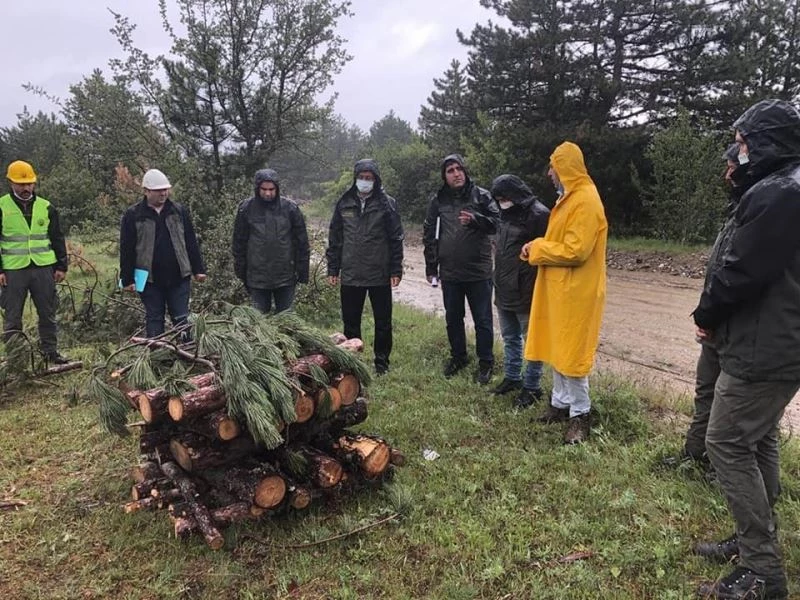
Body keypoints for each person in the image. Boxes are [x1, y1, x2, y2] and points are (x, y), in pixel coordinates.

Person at [690, 99, 800, 600]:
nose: (738, 150)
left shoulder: (779, 193)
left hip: (766, 343)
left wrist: (707, 315)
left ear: (768, 142)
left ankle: (762, 571)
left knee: (727, 442)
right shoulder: (779, 187)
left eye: (744, 141)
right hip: (775, 339)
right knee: (759, 439)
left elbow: (742, 271)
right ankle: (753, 535)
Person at [662, 143, 747, 475]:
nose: (727, 175)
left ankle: (720, 468)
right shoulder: (737, 210)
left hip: (736, 328)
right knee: (705, 391)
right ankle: (694, 453)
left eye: (731, 167)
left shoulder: (766, 210)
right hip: (716, 321)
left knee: (731, 406)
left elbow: (742, 275)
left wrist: (712, 315)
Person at [521, 141, 607, 445]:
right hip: (561, 291)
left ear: (565, 168)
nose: (549, 174)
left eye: (553, 167)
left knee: (572, 355)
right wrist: (537, 246)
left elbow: (576, 250)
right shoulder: (569, 199)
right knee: (559, 348)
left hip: (577, 293)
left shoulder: (585, 200)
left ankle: (580, 415)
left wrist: (539, 247)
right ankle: (559, 405)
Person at [423, 154, 499, 383]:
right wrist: (431, 267)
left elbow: (498, 222)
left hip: (479, 271)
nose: (456, 174)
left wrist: (476, 219)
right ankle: (458, 357)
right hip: (450, 272)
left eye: (459, 169)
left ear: (465, 171)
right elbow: (429, 234)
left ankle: (486, 362)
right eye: (450, 171)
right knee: (453, 318)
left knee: (483, 320)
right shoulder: (438, 200)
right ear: (444, 176)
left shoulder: (482, 196)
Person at [325, 159, 403, 375]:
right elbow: (335, 238)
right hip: (350, 273)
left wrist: (396, 269)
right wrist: (333, 269)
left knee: (383, 322)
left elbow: (396, 238)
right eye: (362, 177)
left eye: (369, 178)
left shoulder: (387, 204)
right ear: (355, 178)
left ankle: (381, 363)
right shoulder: (344, 203)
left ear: (376, 180)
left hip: (379, 273)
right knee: (350, 322)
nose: (365, 182)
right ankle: (353, 364)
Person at [120, 169, 206, 340]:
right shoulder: (133, 215)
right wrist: (127, 279)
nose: (163, 193)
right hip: (149, 278)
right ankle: (158, 356)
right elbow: (126, 249)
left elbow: (190, 241)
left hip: (179, 275)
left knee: (182, 318)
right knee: (154, 318)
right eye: (159, 190)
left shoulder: (179, 211)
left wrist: (198, 269)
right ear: (146, 191)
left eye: (165, 189)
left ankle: (187, 354)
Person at [489, 174, 550, 408]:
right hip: (504, 286)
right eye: (498, 198)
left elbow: (545, 250)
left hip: (526, 288)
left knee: (532, 340)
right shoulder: (504, 213)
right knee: (509, 337)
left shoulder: (538, 214)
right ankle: (513, 377)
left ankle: (532, 385)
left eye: (504, 197)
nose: (501, 201)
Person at [0, 160, 69, 364]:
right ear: (11, 182)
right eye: (21, 184)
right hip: (13, 270)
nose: (25, 188)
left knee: (47, 313)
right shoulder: (2, 206)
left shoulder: (46, 207)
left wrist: (61, 266)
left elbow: (57, 237)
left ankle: (50, 352)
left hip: (43, 268)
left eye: (29, 183)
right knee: (13, 317)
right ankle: (15, 360)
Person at [232, 169, 310, 313]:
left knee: (287, 321)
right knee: (260, 322)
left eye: (271, 189)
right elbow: (239, 243)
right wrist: (241, 272)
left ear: (277, 188)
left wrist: (302, 272)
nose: (268, 193)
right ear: (257, 188)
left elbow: (302, 242)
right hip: (257, 278)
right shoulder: (246, 209)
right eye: (264, 189)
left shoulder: (290, 208)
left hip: (285, 276)